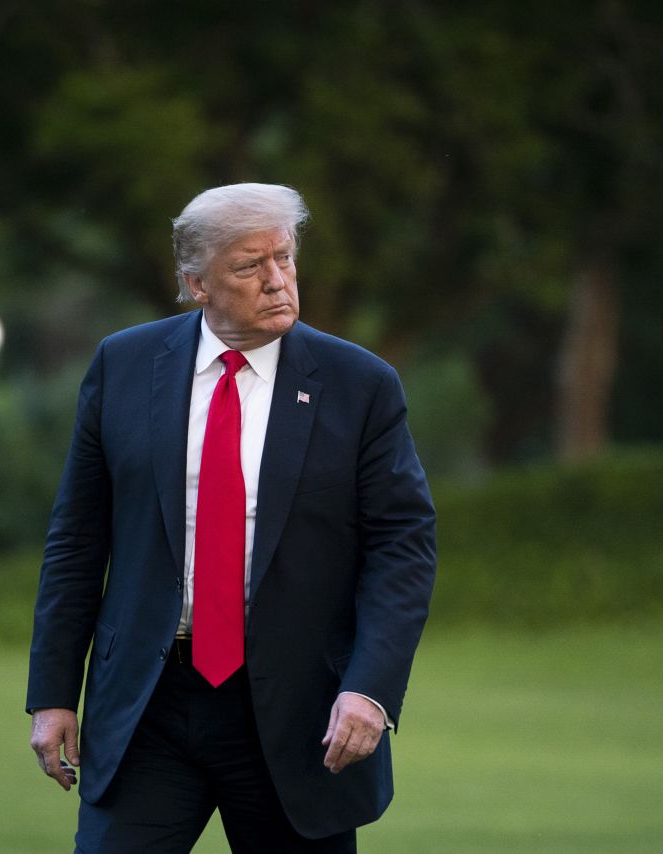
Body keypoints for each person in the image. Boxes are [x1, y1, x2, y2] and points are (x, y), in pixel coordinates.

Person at [26, 182, 436, 853]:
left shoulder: (361, 386)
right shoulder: (123, 366)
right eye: (250, 267)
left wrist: (370, 689)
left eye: (285, 258)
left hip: (301, 714)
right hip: (148, 705)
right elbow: (77, 538)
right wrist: (52, 691)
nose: (277, 281)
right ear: (197, 284)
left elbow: (403, 547)